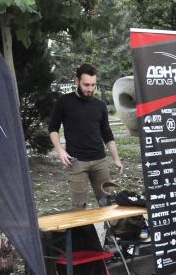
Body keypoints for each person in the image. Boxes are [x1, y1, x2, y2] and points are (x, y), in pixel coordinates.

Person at [49, 64, 123, 209]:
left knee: (107, 204)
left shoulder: (100, 105)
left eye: (93, 85)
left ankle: (108, 225)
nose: (90, 89)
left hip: (100, 161)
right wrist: (60, 151)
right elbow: (53, 128)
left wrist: (116, 159)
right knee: (79, 208)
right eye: (86, 85)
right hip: (76, 162)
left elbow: (107, 134)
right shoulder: (64, 102)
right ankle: (80, 224)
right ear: (77, 81)